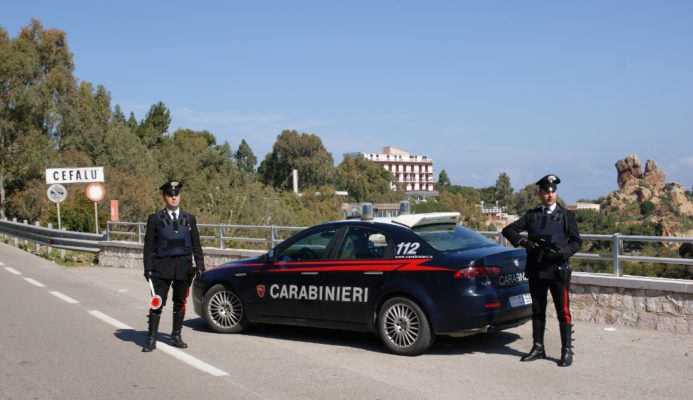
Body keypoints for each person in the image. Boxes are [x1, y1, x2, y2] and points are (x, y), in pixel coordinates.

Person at [502, 174, 582, 367]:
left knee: (563, 311)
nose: (549, 195)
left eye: (552, 191)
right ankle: (538, 348)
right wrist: (525, 242)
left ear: (556, 193)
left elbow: (576, 242)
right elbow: (508, 230)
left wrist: (562, 253)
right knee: (538, 311)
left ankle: (566, 351)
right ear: (540, 193)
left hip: (557, 270)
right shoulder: (532, 215)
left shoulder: (566, 216)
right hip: (536, 270)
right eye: (546, 191)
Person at [142, 180, 205, 352]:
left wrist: (200, 265)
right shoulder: (155, 219)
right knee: (157, 303)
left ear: (180, 196)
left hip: (183, 267)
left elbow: (196, 245)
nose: (174, 197)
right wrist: (147, 268)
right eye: (170, 194)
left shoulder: (189, 219)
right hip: (161, 267)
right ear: (164, 197)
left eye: (176, 194)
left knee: (180, 302)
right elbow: (148, 246)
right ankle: (151, 338)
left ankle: (176, 335)